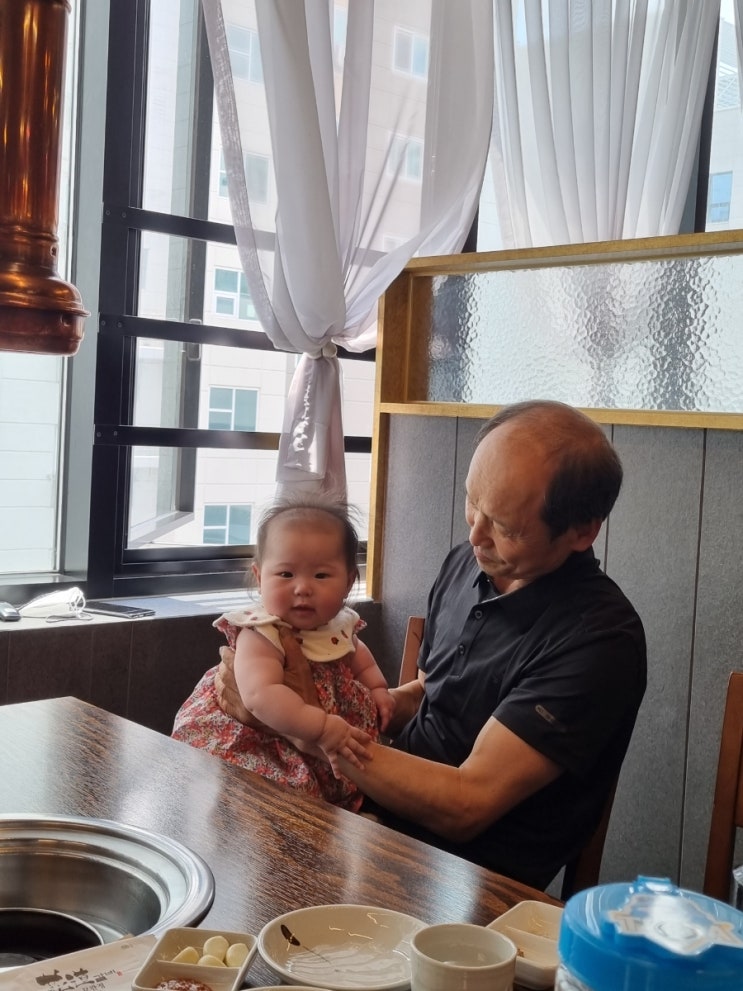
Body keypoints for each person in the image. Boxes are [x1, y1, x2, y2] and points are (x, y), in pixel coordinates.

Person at [214, 400, 647, 890]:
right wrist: (338, 699)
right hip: (375, 816)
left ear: (582, 531)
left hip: (469, 880)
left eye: (505, 527)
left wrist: (302, 726)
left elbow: (467, 805)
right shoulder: (469, 563)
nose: (475, 535)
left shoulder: (598, 640)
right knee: (216, 848)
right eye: (473, 502)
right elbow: (432, 691)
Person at [172, 497, 395, 811]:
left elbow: (359, 656)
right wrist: (321, 728)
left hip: (324, 740)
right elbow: (259, 695)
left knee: (326, 800)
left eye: (321, 576)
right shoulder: (263, 632)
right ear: (260, 577)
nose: (302, 588)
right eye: (286, 574)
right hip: (262, 741)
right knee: (267, 797)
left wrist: (378, 688)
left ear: (348, 583)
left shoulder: (339, 625)